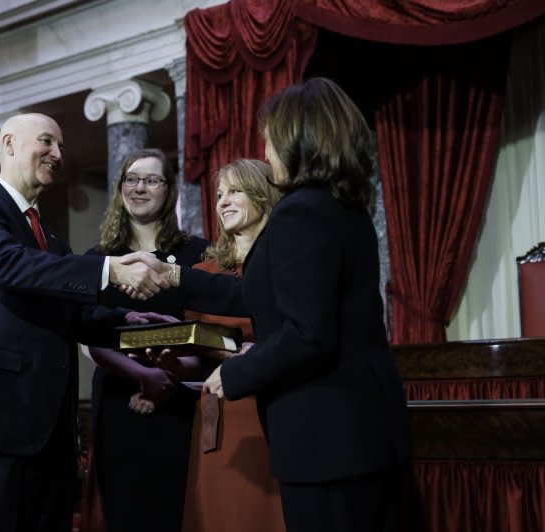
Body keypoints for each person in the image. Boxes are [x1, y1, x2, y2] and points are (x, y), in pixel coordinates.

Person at [140, 78, 411, 532]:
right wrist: (174, 276)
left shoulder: (300, 212)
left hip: (327, 436)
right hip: (363, 429)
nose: (265, 153)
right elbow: (256, 294)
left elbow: (309, 335)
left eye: (268, 140)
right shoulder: (343, 206)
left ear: (296, 141)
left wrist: (235, 373)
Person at [0, 113, 172, 532]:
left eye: (61, 146)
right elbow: (5, 265)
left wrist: (135, 321)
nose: (58, 154)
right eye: (47, 142)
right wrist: (109, 270)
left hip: (52, 435)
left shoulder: (52, 239)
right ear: (8, 143)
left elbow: (78, 318)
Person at [83, 148, 208, 532]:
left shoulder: (196, 253)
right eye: (131, 179)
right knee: (125, 511)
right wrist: (140, 377)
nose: (140, 188)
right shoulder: (97, 259)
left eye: (152, 180)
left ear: (168, 191)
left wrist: (164, 382)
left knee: (175, 511)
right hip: (119, 401)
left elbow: (207, 332)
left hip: (179, 400)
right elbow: (86, 337)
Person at [177, 158, 286, 532]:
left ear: (264, 194)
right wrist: (164, 362)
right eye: (219, 194)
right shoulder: (205, 275)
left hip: (273, 406)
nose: (223, 201)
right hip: (219, 411)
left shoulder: (286, 265)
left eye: (235, 191)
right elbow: (192, 353)